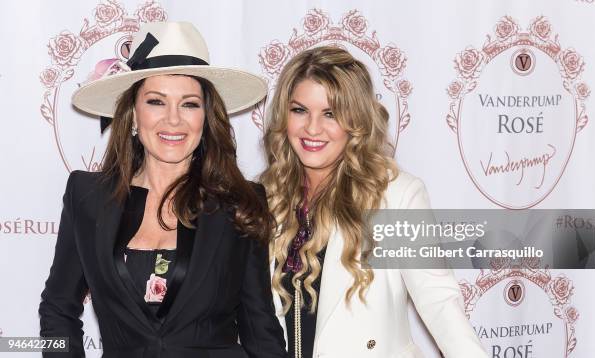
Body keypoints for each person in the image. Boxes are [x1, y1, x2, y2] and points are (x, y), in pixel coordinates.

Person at [39, 21, 287, 358]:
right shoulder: (87, 196)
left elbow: (260, 330)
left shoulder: (241, 202)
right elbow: (57, 308)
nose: (173, 120)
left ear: (206, 117)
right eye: (156, 101)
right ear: (133, 115)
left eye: (189, 104)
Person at [260, 46, 488, 358]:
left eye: (331, 113)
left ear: (356, 122)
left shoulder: (394, 197)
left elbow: (440, 301)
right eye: (299, 110)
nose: (312, 128)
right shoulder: (265, 197)